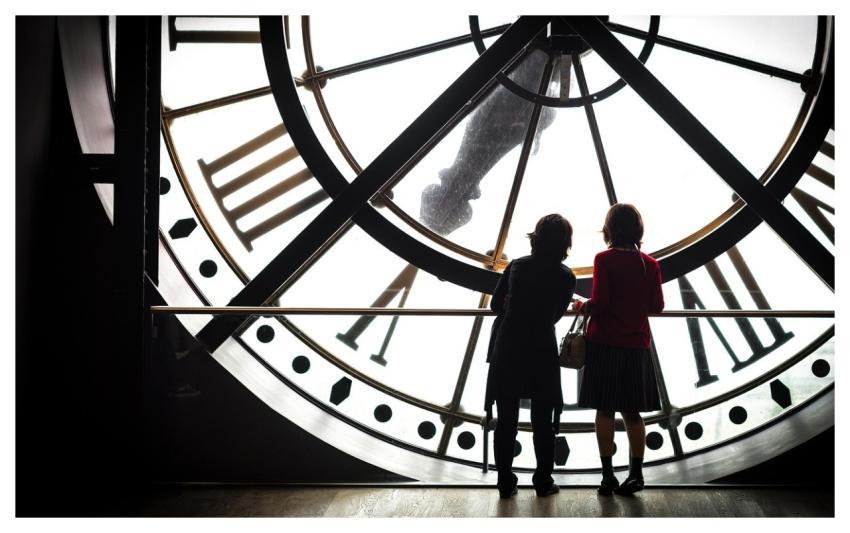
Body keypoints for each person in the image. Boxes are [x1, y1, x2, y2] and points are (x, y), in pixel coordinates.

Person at [575, 203, 664, 496]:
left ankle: (608, 475)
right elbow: (656, 306)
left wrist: (580, 306)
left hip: (605, 344)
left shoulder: (604, 259)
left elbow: (599, 302)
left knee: (604, 411)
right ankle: (636, 474)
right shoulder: (650, 264)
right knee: (633, 413)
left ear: (609, 229)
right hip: (636, 344)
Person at [485, 214, 576, 499]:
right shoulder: (566, 276)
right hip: (541, 349)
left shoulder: (516, 267)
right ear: (564, 243)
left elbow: (495, 306)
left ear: (535, 238)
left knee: (506, 419)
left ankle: (504, 480)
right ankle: (543, 480)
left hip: (509, 345)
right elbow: (556, 315)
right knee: (543, 421)